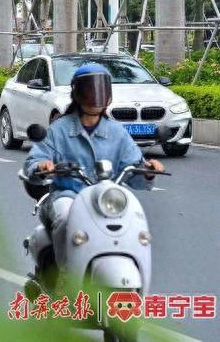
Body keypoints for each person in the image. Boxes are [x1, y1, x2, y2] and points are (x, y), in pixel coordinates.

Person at [24, 64, 164, 267]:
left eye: (100, 89)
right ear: (77, 93)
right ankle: (66, 277)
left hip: (107, 201)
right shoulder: (59, 129)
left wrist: (149, 171)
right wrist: (42, 166)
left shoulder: (118, 133)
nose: (95, 95)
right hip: (66, 196)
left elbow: (135, 170)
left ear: (108, 95)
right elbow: (34, 161)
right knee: (65, 218)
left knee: (134, 220)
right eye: (89, 89)